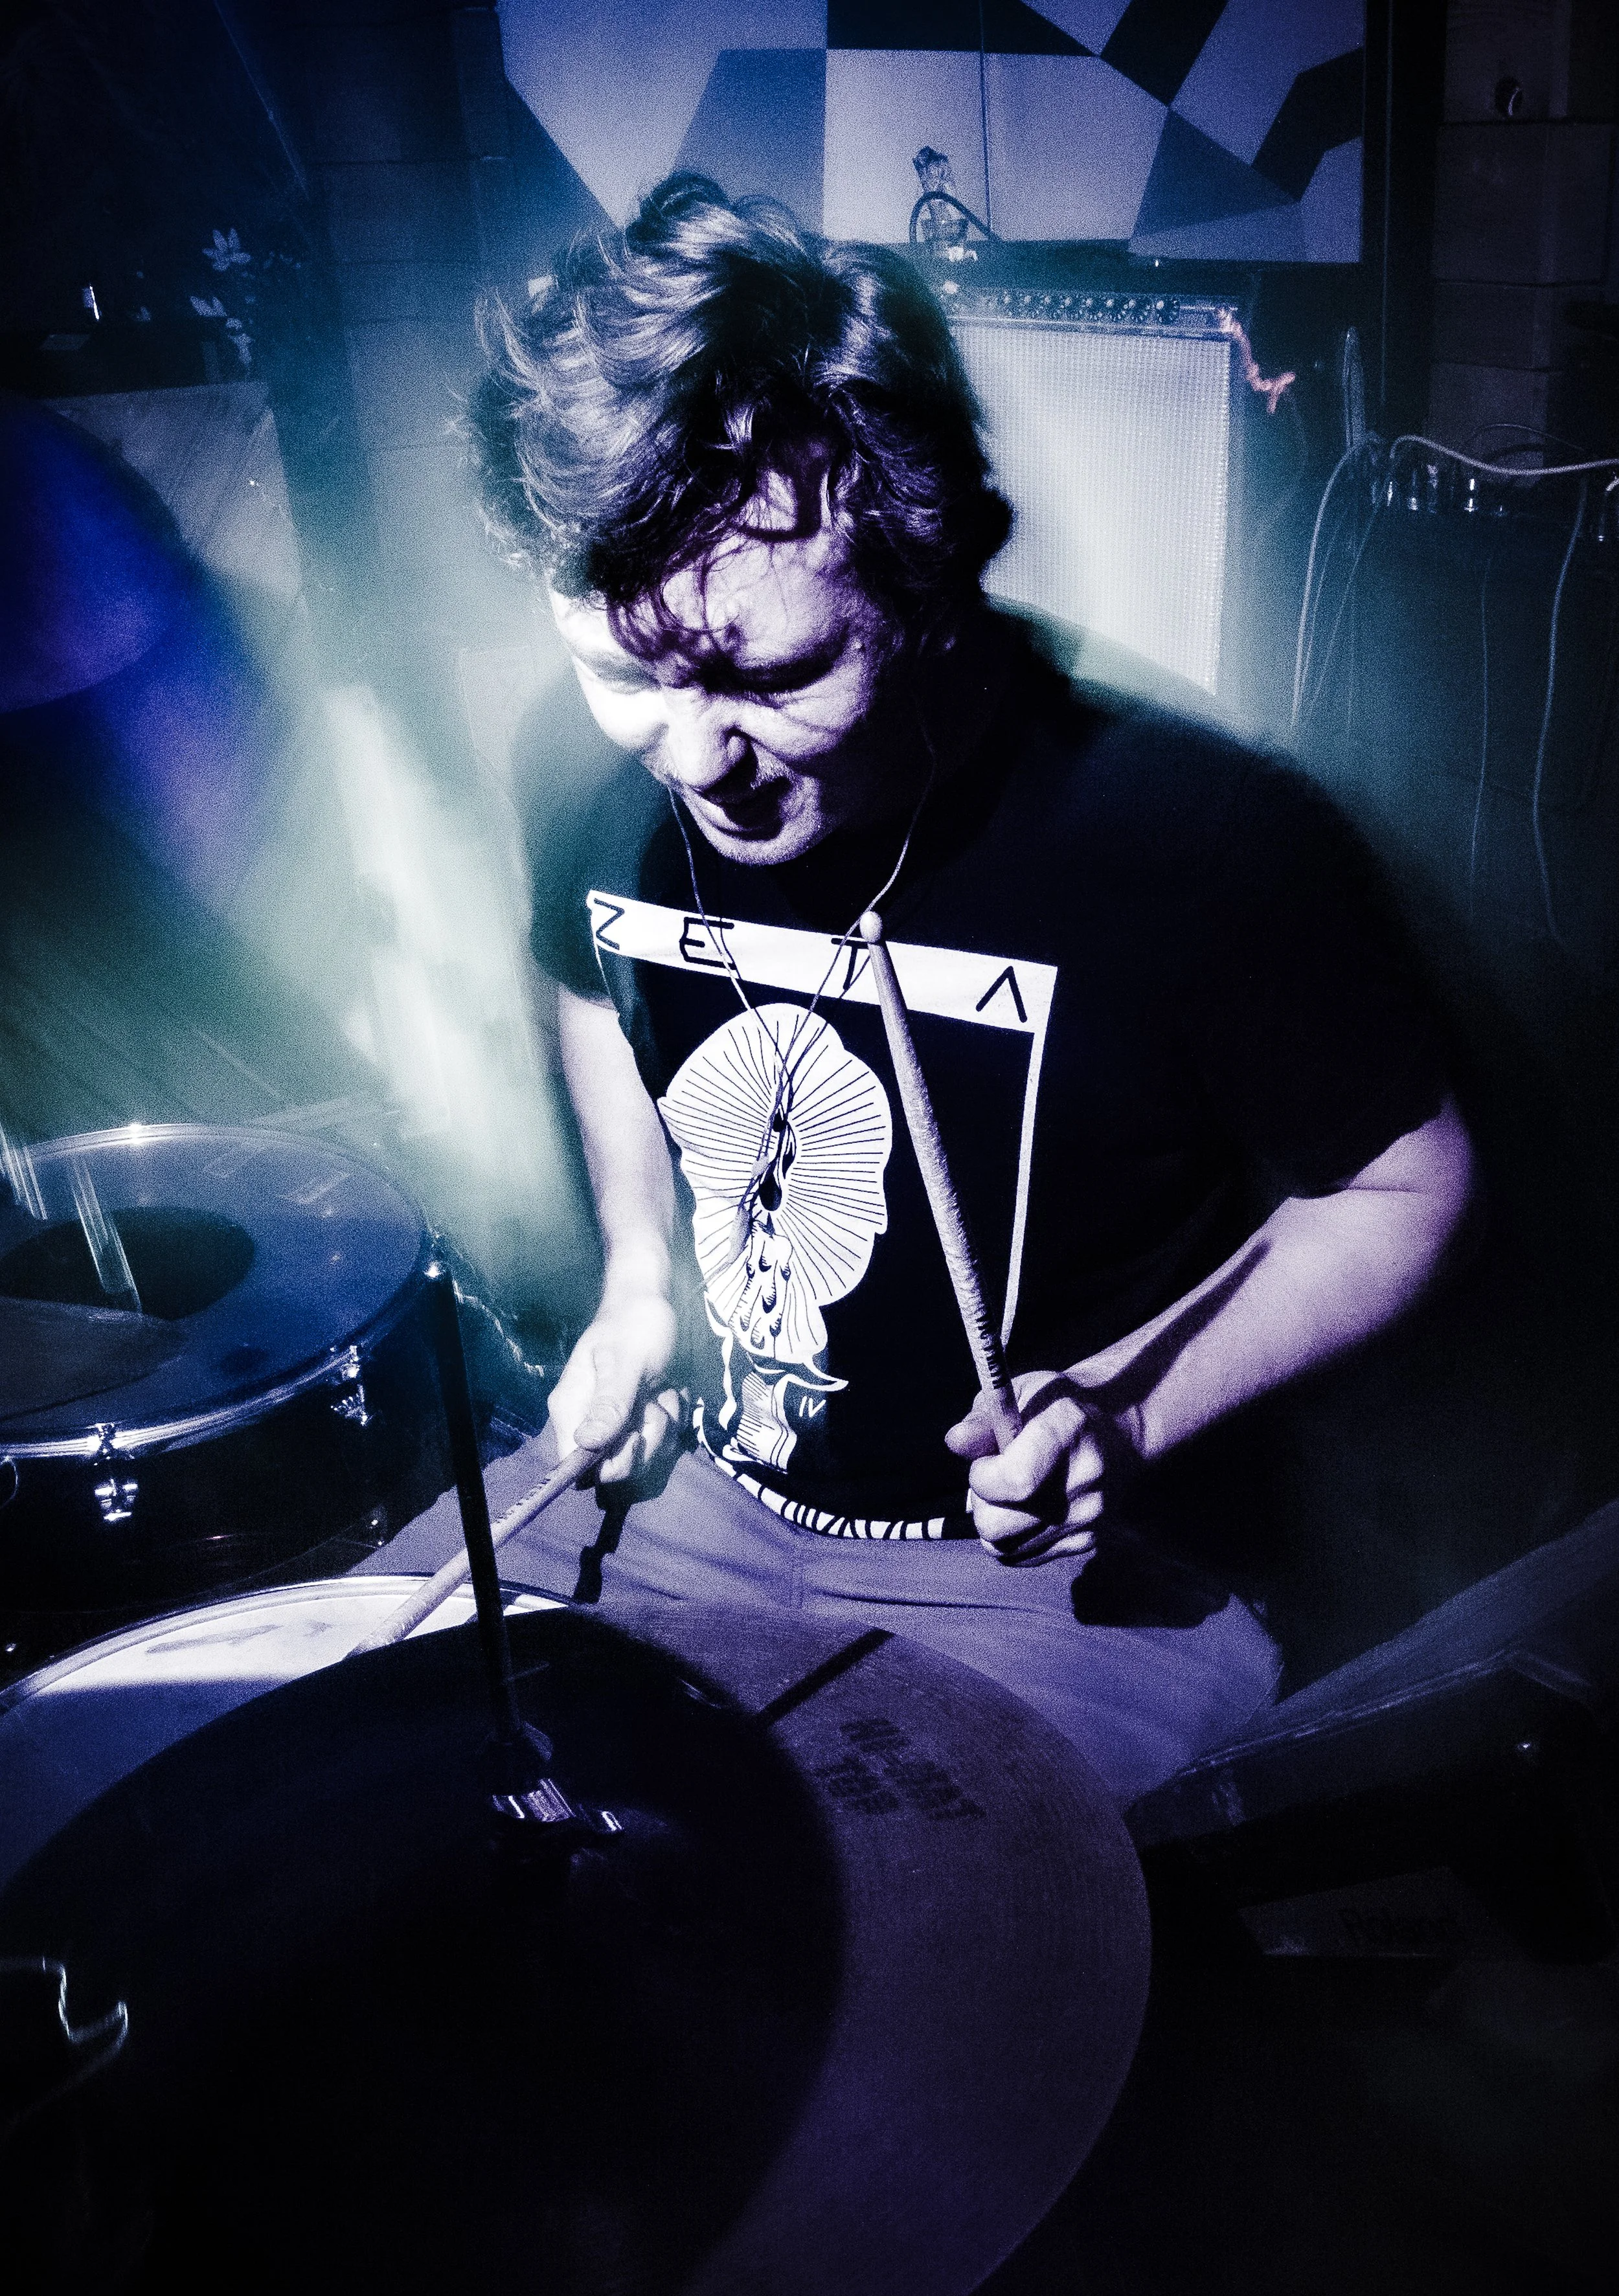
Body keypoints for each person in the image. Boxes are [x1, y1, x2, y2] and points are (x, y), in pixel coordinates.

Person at [372, 175, 1473, 1806]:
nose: (694, 760)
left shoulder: (1187, 833)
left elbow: (1403, 1178)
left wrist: (1117, 1409)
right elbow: (593, 983)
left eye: (773, 673)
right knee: (344, 1772)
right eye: (625, 672)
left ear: (922, 579)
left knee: (886, 1965)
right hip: (687, 1506)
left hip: (1050, 1586)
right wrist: (637, 1279)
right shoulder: (581, 764)